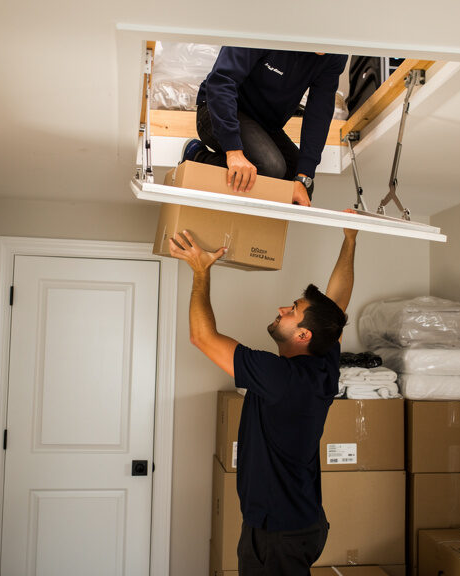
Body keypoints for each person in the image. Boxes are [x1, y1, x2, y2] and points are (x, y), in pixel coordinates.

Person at [168, 227, 357, 575]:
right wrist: (350, 240)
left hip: (279, 534)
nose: (282, 309)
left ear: (303, 334)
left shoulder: (280, 378)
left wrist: (200, 271)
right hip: (297, 524)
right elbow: (338, 303)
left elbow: (202, 337)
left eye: (292, 310)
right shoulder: (322, 364)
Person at [182, 47, 349, 207]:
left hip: (263, 126)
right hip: (217, 110)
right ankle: (197, 157)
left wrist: (303, 177)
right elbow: (221, 83)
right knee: (270, 167)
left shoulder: (334, 54)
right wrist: (233, 151)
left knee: (294, 181)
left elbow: (319, 114)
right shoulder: (266, 30)